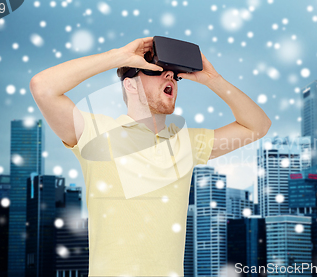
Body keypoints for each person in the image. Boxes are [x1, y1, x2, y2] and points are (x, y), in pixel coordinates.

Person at [30, 37, 271, 277]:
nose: (170, 77)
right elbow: (42, 87)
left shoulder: (186, 143)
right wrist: (118, 56)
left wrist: (213, 80)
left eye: (174, 76)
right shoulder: (97, 134)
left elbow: (257, 126)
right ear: (130, 85)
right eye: (156, 71)